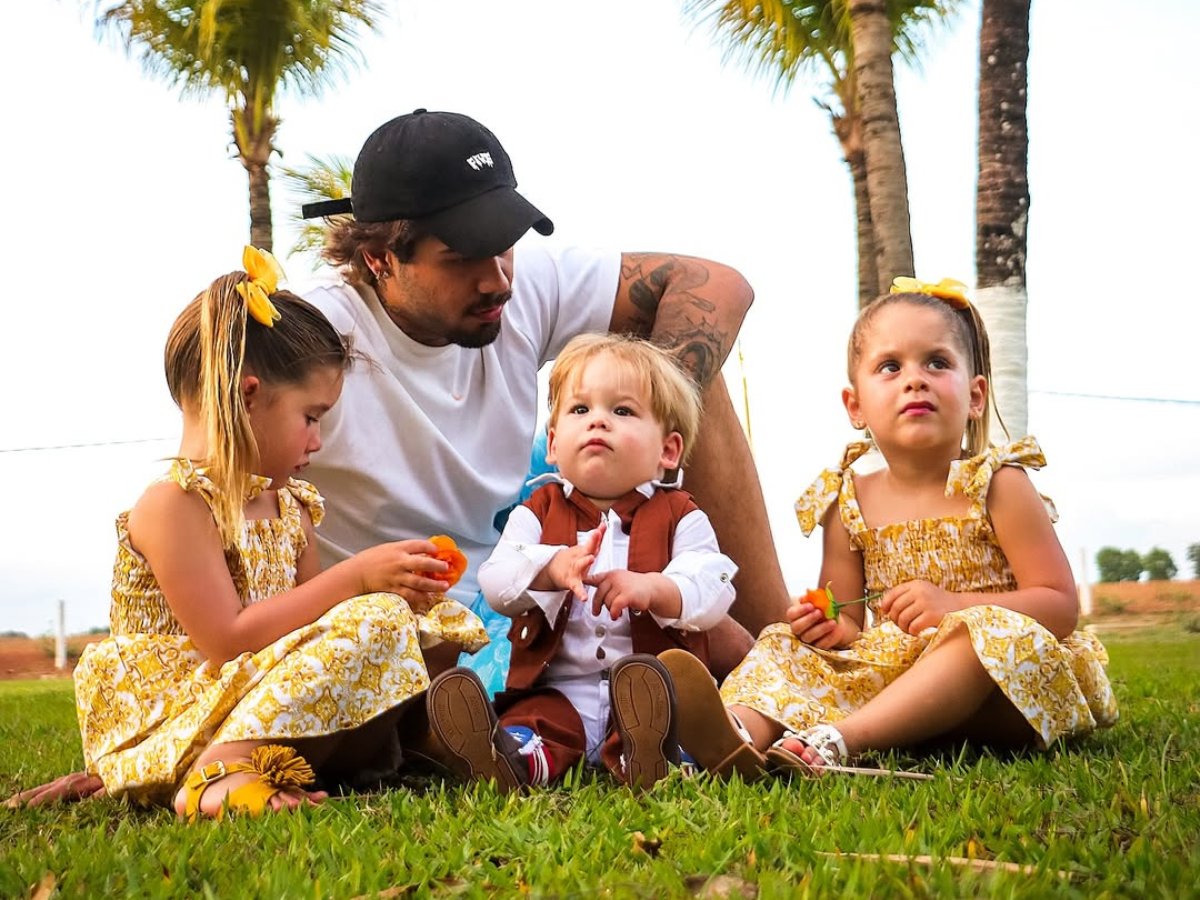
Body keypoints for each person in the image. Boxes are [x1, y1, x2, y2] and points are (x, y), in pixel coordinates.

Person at [296, 108, 786, 690]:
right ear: (379, 257)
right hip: (388, 618)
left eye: (504, 246)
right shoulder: (314, 332)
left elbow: (719, 285)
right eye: (461, 258)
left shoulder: (521, 285)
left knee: (671, 381)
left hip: (532, 579)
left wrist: (647, 435)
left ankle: (783, 653)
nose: (498, 279)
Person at [11, 248, 488, 817]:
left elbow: (317, 626)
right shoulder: (176, 506)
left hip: (252, 696)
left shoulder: (291, 506)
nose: (317, 440)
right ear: (248, 397)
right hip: (183, 703)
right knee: (374, 617)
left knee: (420, 619)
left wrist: (393, 589)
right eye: (311, 417)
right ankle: (214, 775)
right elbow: (228, 640)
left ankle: (416, 741)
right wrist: (358, 577)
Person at [661, 277, 1118, 778]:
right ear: (855, 405)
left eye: (937, 363)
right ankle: (733, 736)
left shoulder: (999, 485)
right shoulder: (847, 500)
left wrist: (955, 608)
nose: (915, 379)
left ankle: (839, 739)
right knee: (781, 642)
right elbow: (849, 621)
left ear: (975, 395)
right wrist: (830, 626)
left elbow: (1059, 605)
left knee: (979, 634)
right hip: (901, 686)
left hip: (1004, 692)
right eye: (890, 366)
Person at [425, 333, 737, 791]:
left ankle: (649, 757)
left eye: (622, 410)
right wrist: (549, 568)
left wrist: (655, 589)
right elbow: (496, 581)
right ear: (552, 443)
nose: (598, 423)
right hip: (558, 689)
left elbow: (713, 587)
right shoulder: (537, 511)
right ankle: (509, 759)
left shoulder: (681, 515)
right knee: (537, 726)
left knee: (660, 711)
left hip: (651, 688)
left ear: (667, 452)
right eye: (580, 410)